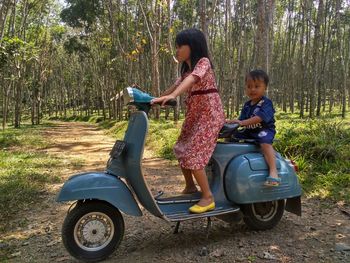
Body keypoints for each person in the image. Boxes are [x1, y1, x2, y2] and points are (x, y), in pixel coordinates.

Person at [151, 28, 225, 213]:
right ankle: (190, 186)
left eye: (179, 46)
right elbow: (175, 86)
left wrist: (174, 95)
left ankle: (207, 197)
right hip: (195, 116)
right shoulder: (186, 71)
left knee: (193, 153)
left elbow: (192, 80)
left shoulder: (203, 63)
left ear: (192, 46)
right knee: (180, 147)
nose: (176, 50)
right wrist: (153, 100)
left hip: (209, 117)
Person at [227, 69, 280, 186]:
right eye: (249, 86)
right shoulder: (247, 105)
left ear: (265, 87)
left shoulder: (266, 103)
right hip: (249, 131)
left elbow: (259, 118)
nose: (252, 89)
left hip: (264, 130)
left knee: (265, 143)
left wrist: (242, 123)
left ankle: (273, 171)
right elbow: (241, 120)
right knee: (230, 136)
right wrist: (232, 122)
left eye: (257, 86)